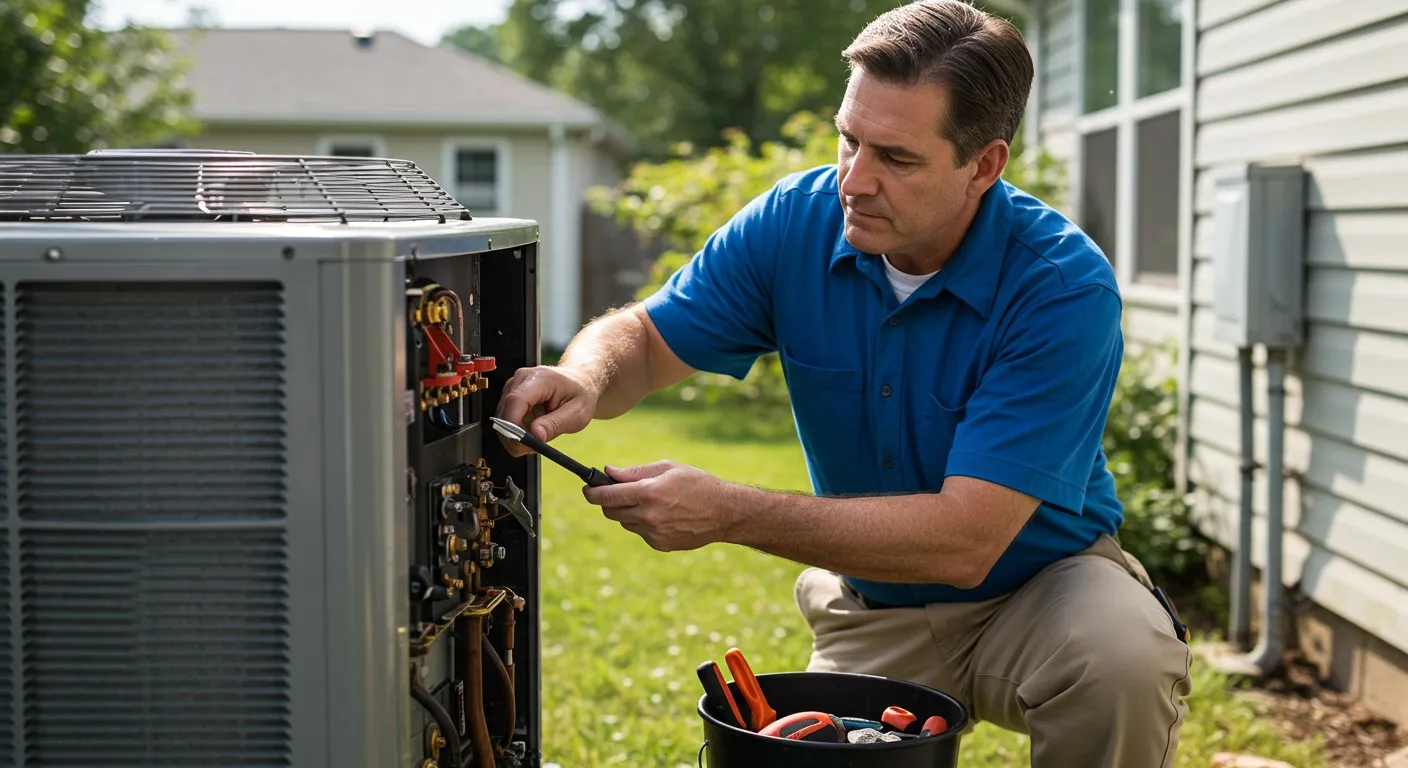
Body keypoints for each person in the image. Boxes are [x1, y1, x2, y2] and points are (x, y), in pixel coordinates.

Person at [495, 1, 1192, 764]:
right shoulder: (793, 222)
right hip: (877, 608)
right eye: (848, 139)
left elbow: (966, 540)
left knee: (1123, 657)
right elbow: (648, 339)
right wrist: (585, 375)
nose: (854, 180)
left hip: (1044, 595)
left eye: (895, 158)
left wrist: (729, 511)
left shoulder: (1060, 287)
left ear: (984, 166)